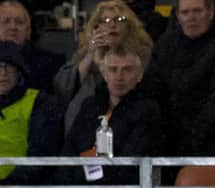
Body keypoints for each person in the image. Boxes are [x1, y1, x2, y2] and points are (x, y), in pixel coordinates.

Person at [30, 44, 162, 188]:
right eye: (113, 69)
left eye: (127, 70)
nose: (119, 76)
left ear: (139, 76)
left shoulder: (148, 110)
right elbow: (69, 157)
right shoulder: (89, 106)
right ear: (104, 73)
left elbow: (125, 167)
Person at [148, 0, 215, 156]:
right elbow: (155, 89)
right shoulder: (166, 45)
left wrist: (192, 137)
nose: (191, 17)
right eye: (185, 12)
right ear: (178, 16)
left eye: (197, 11)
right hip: (171, 140)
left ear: (210, 12)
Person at [54, 0, 153, 137]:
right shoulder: (84, 53)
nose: (112, 25)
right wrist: (90, 54)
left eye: (119, 19)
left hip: (125, 125)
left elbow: (127, 88)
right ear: (96, 27)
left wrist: (102, 64)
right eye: (105, 20)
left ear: (129, 26)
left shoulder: (141, 53)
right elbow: (62, 88)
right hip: (81, 128)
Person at [0, 41, 63, 188]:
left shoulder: (40, 102)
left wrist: (7, 182)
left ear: (19, 73)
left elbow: (40, 155)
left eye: (8, 68)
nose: (2, 74)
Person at [0, 0, 64, 93]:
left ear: (28, 31)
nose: (13, 27)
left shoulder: (51, 64)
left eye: (19, 22)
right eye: (6, 21)